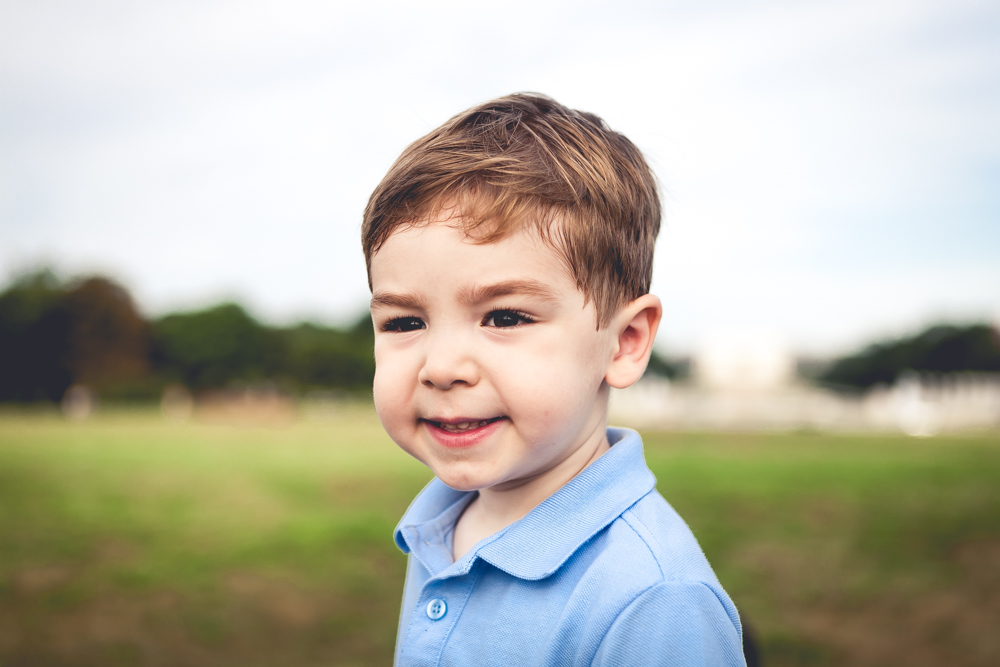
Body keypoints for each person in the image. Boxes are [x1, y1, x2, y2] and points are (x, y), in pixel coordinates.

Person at [362, 93, 746, 666]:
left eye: (505, 317)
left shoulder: (652, 600)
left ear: (624, 342)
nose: (440, 368)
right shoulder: (443, 520)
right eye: (405, 321)